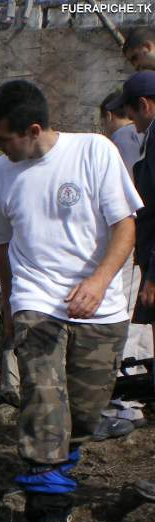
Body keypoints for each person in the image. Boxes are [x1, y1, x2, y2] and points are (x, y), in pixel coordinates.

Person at [0, 80, 141, 522]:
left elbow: (125, 226)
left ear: (33, 129)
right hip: (37, 301)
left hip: (102, 303)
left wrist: (98, 281)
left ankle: (53, 471)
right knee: (44, 396)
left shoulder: (94, 152)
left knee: (86, 412)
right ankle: (48, 510)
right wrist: (12, 307)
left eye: (4, 138)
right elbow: (2, 249)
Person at [100, 90, 154, 371]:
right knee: (143, 309)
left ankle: (128, 383)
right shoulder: (144, 134)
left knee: (126, 307)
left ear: (109, 116)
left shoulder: (117, 141)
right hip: (144, 235)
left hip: (127, 231)